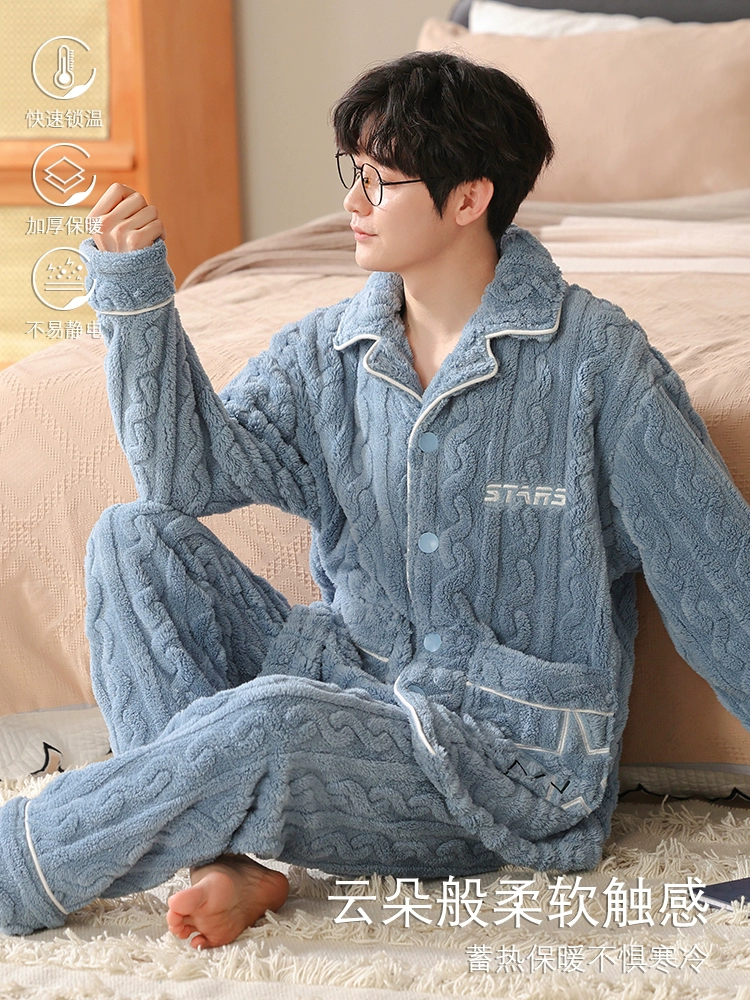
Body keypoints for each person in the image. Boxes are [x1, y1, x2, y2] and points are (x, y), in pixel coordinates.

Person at [2, 50, 750, 952]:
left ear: (469, 198)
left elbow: (720, 579)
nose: (352, 202)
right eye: (350, 172)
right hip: (345, 679)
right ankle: (228, 860)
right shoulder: (331, 351)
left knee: (271, 722)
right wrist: (136, 299)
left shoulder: (597, 363)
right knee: (132, 537)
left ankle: (21, 863)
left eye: (379, 181)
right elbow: (184, 479)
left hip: (499, 760)